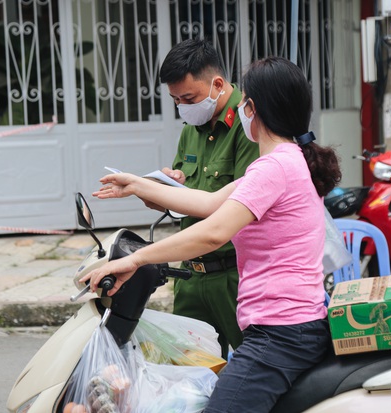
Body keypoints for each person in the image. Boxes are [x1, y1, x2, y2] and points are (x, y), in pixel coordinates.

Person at [81, 56, 341, 413]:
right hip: (291, 325)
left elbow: (213, 233)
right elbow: (206, 202)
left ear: (252, 108)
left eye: (245, 102)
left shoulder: (274, 167)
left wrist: (136, 258)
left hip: (280, 332)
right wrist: (137, 184)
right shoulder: (287, 161)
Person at [153, 39, 259, 358]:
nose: (183, 106)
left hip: (235, 277)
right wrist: (161, 190)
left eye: (188, 98)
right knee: (188, 378)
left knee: (253, 374)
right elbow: (181, 201)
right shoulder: (192, 128)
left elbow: (232, 207)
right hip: (191, 274)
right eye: (176, 100)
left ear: (216, 84)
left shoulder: (251, 124)